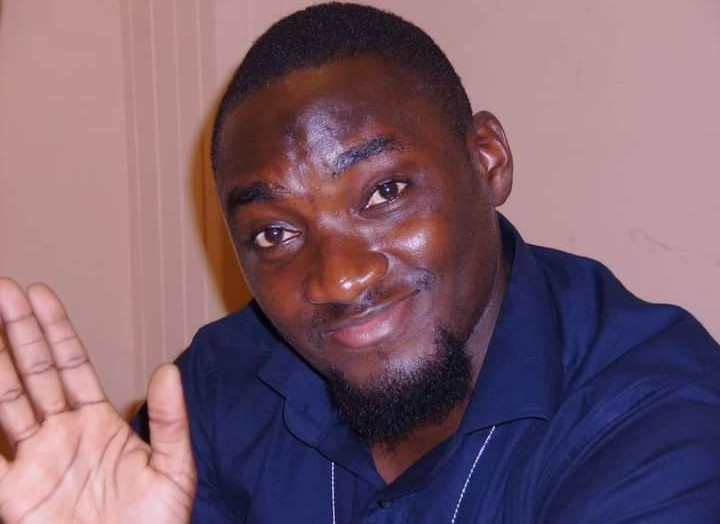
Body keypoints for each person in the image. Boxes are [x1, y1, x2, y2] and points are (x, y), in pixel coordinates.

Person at [0, 3, 719, 522]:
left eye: (384, 193)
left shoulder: (658, 426)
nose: (338, 279)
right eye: (275, 233)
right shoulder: (220, 391)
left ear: (487, 160)